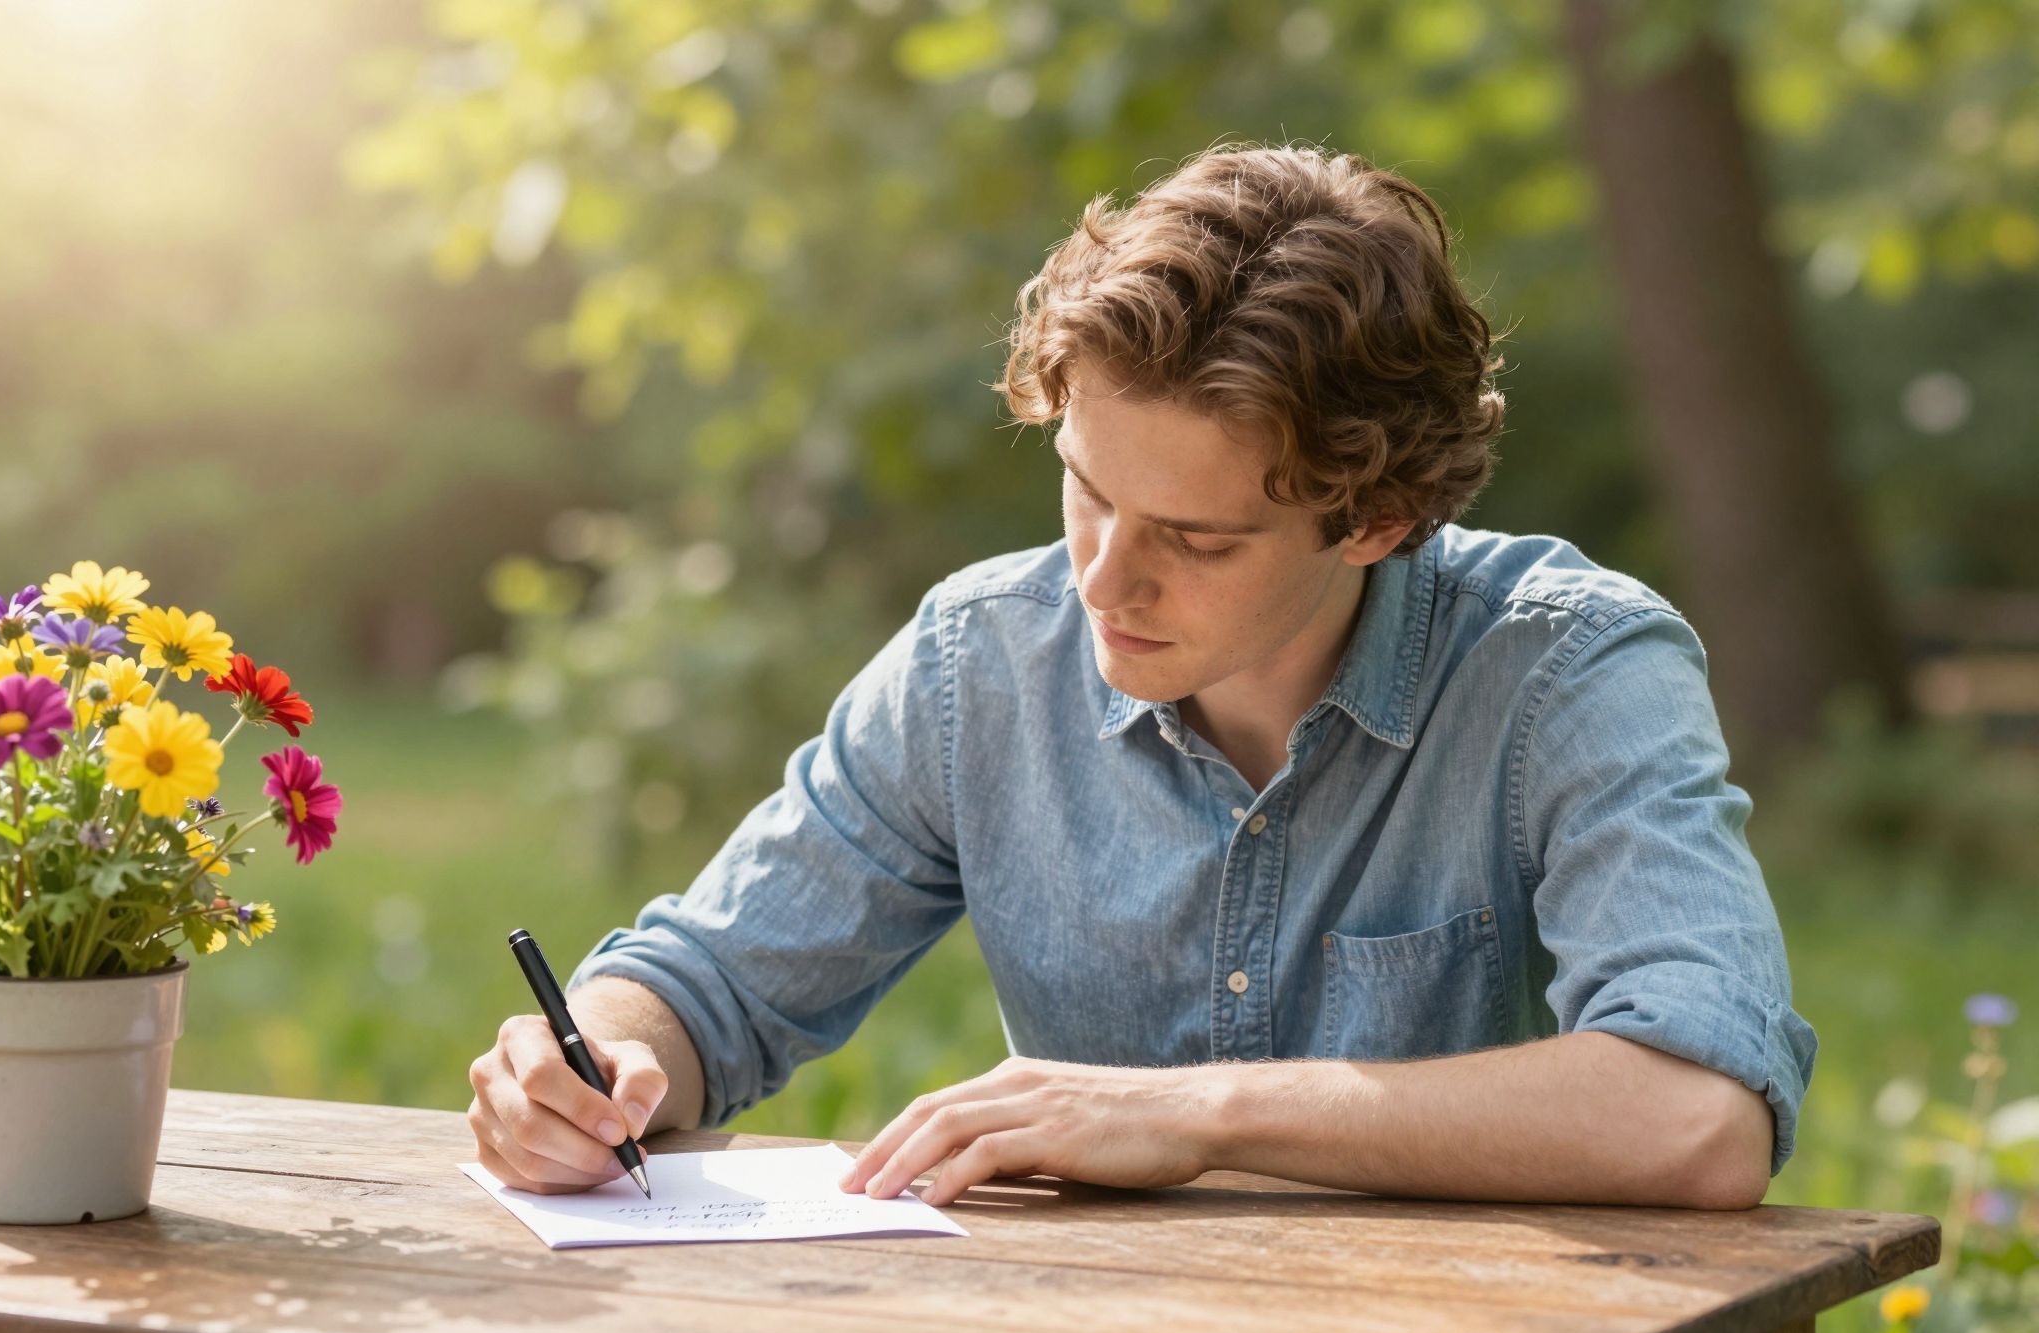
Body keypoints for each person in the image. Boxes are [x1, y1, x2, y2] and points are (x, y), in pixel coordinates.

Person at [467, 141, 1815, 1227]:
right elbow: (706, 982)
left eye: (1197, 538)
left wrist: (1203, 1114)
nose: (1106, 581)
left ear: (1380, 518)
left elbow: (1700, 1114)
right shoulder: (981, 660)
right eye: (1086, 492)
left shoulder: (1566, 665)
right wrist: (587, 1063)